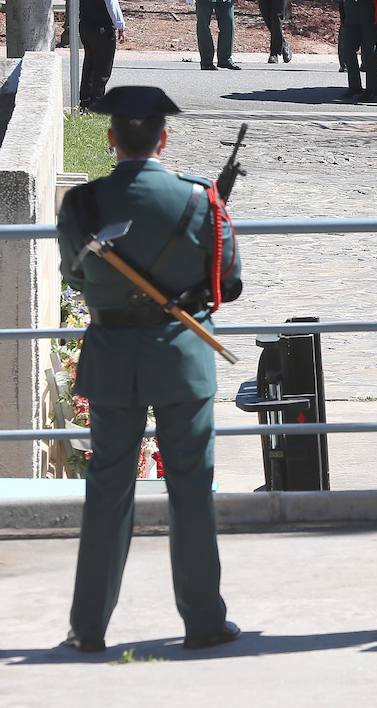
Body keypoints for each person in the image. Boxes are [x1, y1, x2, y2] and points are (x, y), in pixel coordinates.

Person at [57, 86, 243, 652]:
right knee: (192, 488)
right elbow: (227, 284)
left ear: (111, 139)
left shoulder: (83, 205)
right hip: (179, 356)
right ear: (164, 138)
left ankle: (88, 627)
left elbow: (75, 278)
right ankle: (204, 620)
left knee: (107, 490)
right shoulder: (200, 199)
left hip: (113, 355)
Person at [78, 0, 125, 111]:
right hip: (102, 30)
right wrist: (120, 26)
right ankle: (97, 101)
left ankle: (85, 101)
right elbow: (113, 7)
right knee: (103, 67)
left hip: (85, 28)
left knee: (89, 64)